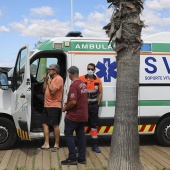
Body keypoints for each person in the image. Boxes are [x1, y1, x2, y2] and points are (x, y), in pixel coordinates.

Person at [61, 66, 88, 165]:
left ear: (71, 74)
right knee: (81, 135)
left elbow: (73, 102)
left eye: (69, 74)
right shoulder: (82, 84)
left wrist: (65, 108)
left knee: (68, 134)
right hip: (83, 115)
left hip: (74, 115)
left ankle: (72, 158)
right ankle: (82, 158)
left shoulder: (74, 86)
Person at [79, 63, 103, 153]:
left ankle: (95, 145)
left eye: (92, 69)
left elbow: (100, 93)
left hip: (93, 106)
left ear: (94, 70)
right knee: (82, 126)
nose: (90, 70)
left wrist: (98, 104)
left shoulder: (98, 80)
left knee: (93, 126)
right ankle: (81, 146)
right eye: (88, 68)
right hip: (84, 106)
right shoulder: (81, 79)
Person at [41, 64, 63, 151]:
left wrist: (49, 82)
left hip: (54, 105)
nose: (48, 71)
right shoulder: (51, 78)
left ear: (55, 71)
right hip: (46, 104)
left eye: (50, 69)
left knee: (54, 124)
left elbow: (53, 91)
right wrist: (45, 81)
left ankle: (56, 144)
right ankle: (46, 143)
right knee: (44, 123)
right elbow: (44, 89)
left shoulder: (59, 79)